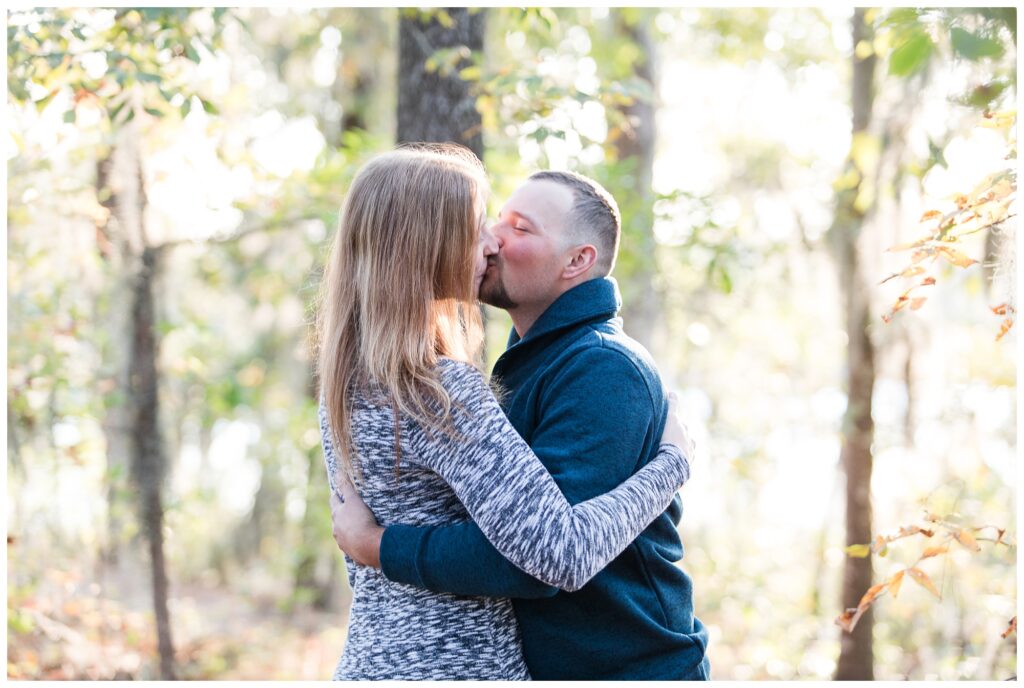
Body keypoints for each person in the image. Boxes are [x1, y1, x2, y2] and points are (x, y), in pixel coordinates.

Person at [315, 144, 696, 680]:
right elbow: (559, 551)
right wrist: (673, 465)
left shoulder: (348, 377)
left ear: (577, 260)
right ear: (429, 244)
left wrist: (379, 546)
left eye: (519, 228)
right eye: (483, 225)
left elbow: (539, 554)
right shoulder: (441, 388)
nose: (492, 241)